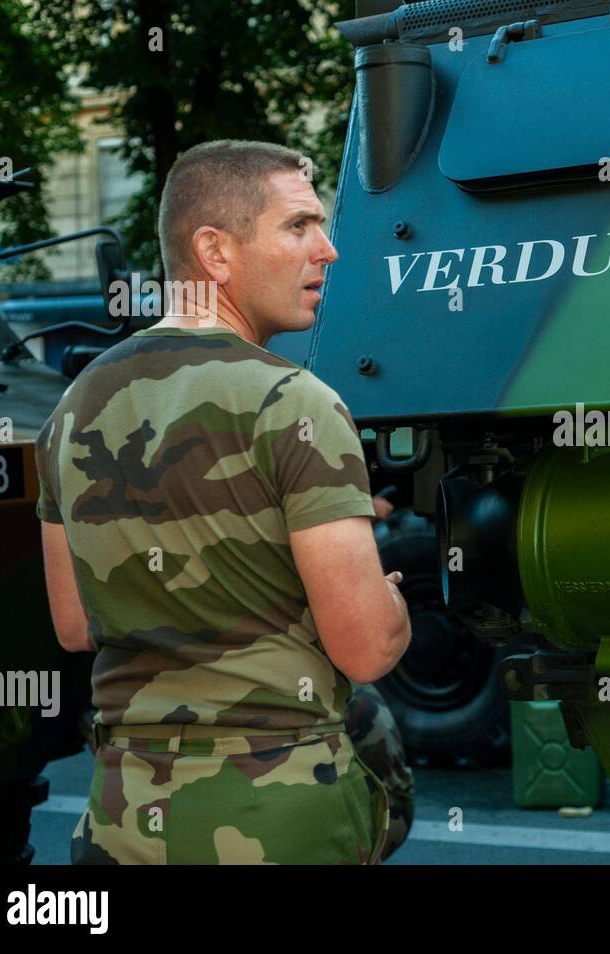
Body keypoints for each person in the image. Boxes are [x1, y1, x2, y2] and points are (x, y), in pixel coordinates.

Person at [34, 139, 414, 864]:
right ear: (215, 250)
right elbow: (365, 647)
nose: (327, 250)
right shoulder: (295, 401)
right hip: (276, 814)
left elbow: (75, 624)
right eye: (298, 226)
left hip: (122, 817)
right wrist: (388, 598)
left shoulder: (71, 410)